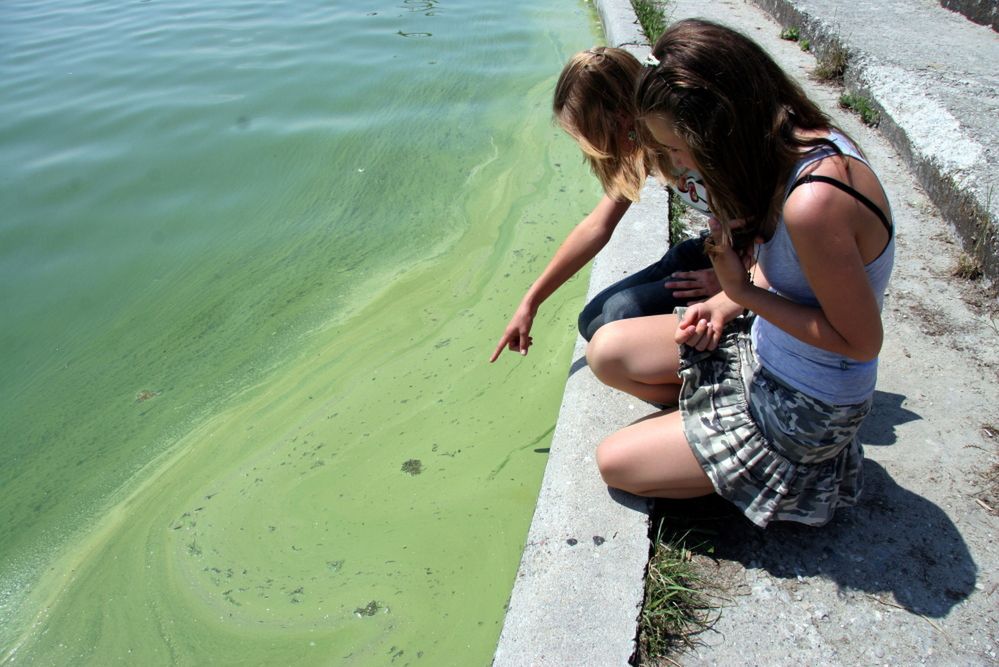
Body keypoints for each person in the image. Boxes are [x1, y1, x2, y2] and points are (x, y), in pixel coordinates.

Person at [585, 19, 895, 527]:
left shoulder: (814, 201)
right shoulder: (789, 149)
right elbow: (799, 278)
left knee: (614, 462)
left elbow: (861, 342)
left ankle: (773, 464)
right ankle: (703, 429)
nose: (678, 164)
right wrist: (724, 303)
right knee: (607, 350)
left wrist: (742, 294)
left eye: (678, 148)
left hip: (809, 403)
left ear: (720, 129)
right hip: (765, 348)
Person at [489, 46, 719, 363]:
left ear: (618, 118)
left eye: (588, 134)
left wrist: (729, 284)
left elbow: (772, 230)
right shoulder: (644, 146)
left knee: (620, 314)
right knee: (591, 322)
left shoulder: (687, 140)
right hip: (714, 249)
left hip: (752, 264)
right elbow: (597, 226)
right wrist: (531, 301)